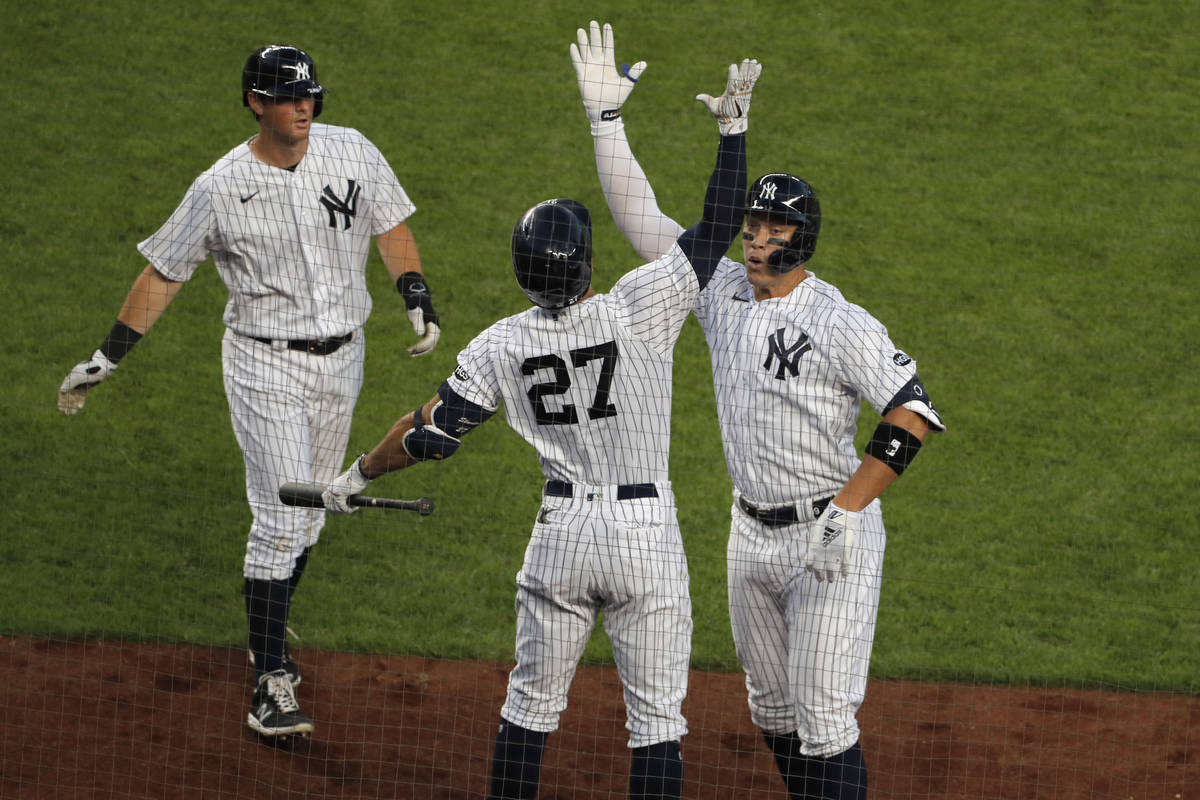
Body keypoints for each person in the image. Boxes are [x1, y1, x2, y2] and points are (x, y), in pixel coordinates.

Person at [320, 41, 759, 800]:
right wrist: (732, 134)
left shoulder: (501, 344)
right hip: (644, 535)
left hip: (561, 536)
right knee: (657, 724)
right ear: (586, 263)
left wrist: (354, 476)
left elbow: (430, 434)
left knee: (528, 711)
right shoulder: (642, 305)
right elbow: (718, 222)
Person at [573, 22, 946, 800]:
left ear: (801, 238)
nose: (754, 239)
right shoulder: (718, 292)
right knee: (772, 712)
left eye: (773, 229)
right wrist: (606, 122)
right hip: (750, 533)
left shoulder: (838, 320)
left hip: (829, 532)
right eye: (751, 226)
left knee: (824, 719)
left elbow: (911, 414)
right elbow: (640, 216)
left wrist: (847, 511)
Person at [55, 44, 442, 739]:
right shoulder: (219, 186)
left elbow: (390, 225)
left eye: (310, 95)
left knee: (316, 509)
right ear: (256, 103)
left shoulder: (352, 150)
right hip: (265, 365)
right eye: (289, 97)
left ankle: (269, 623)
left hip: (343, 360)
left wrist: (415, 293)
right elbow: (165, 272)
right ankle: (270, 677)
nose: (304, 107)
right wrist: (107, 356)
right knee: (280, 515)